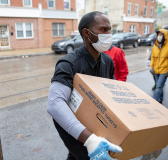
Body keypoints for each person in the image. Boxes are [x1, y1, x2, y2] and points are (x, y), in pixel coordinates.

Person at [47, 11, 122, 160]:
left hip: (99, 127)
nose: (109, 34)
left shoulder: (107, 61)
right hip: (75, 131)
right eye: (103, 29)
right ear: (87, 33)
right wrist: (90, 140)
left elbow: (112, 95)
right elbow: (54, 103)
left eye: (110, 29)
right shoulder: (68, 63)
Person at [150, 29, 168, 104]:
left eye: (161, 35)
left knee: (158, 86)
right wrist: (151, 66)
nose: (159, 36)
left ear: (165, 36)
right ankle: (160, 99)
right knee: (159, 86)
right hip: (156, 69)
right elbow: (152, 56)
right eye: (158, 34)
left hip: (164, 70)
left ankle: (154, 101)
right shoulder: (155, 45)